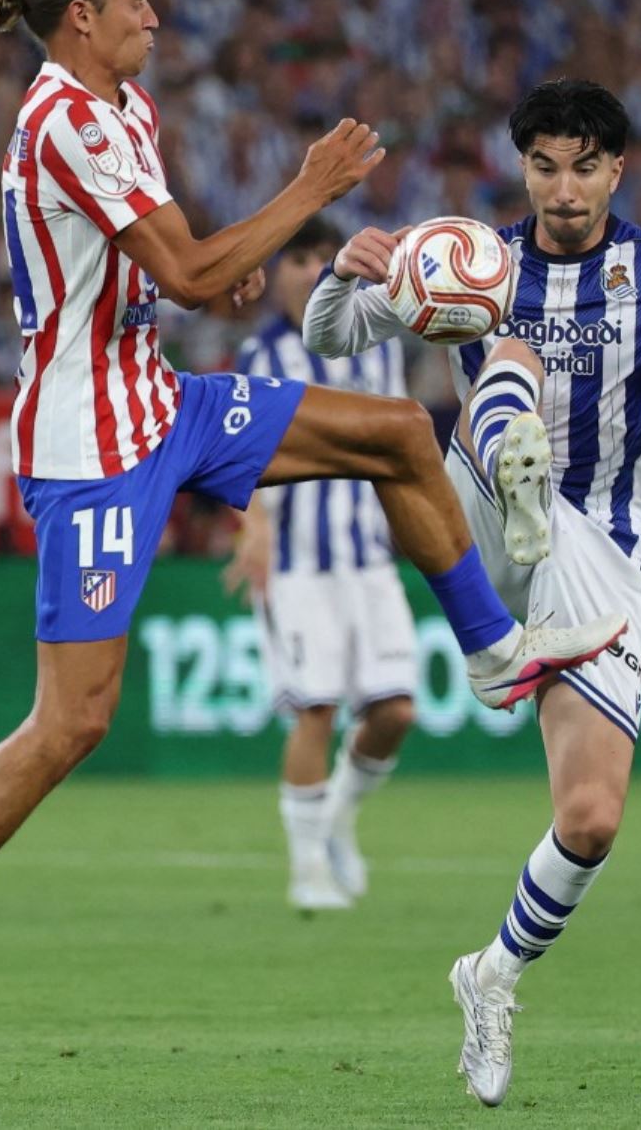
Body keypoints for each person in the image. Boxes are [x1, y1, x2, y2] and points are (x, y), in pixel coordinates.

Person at [0, 0, 625, 1072]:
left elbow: (178, 271)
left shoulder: (123, 110)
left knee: (401, 433)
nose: (155, 18)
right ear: (80, 20)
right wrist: (303, 194)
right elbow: (188, 272)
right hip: (89, 448)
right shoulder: (63, 119)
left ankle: (495, 649)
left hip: (163, 402)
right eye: (138, 3)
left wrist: (233, 261)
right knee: (72, 722)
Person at [304, 79, 641, 1106]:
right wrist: (338, 268)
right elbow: (333, 335)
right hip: (489, 513)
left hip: (607, 555)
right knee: (504, 354)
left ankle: (492, 973)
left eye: (584, 164)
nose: (565, 186)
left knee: (590, 818)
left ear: (617, 170)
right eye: (545, 164)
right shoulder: (472, 262)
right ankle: (517, 490)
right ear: (523, 168)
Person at [222, 217, 418, 911]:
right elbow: (238, 457)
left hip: (370, 558)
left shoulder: (378, 346)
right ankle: (307, 869)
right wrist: (251, 530)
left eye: (320, 259)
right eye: (297, 259)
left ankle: (337, 816)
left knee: (396, 709)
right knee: (317, 709)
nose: (309, 271)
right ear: (277, 275)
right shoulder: (261, 356)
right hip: (299, 562)